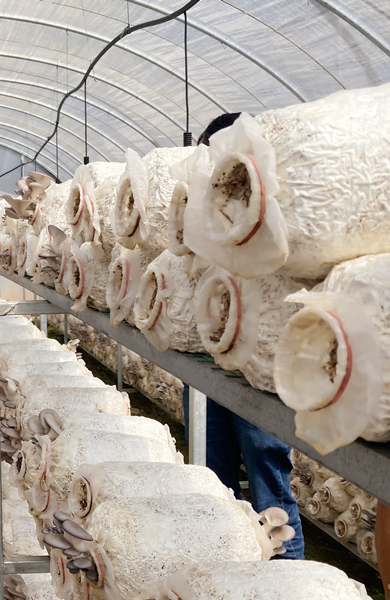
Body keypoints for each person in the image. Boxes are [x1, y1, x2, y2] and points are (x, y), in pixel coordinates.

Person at [181, 111, 304, 559]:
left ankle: (290, 582)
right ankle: (227, 572)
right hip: (211, 367)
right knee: (214, 483)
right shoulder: (205, 213)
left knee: (269, 488)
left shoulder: (270, 210)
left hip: (259, 375)